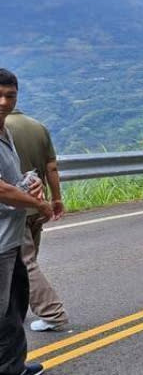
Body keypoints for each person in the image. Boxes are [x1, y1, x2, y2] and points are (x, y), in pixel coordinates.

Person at [0, 69, 53, 375]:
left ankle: (13, 367)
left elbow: (13, 181)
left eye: (11, 95)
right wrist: (39, 205)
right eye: (0, 95)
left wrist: (32, 183)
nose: (5, 102)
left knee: (14, 307)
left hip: (12, 237)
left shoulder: (6, 133)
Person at [5, 110, 69, 332]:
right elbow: (51, 166)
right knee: (21, 267)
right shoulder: (38, 127)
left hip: (15, 207)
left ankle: (53, 314)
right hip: (37, 206)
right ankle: (14, 312)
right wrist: (56, 199)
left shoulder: (4, 128)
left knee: (25, 264)